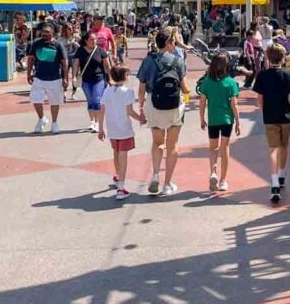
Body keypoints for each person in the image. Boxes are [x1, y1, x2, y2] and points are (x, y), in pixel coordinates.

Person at [136, 28, 189, 196]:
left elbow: (141, 89)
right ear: (167, 43)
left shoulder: (148, 61)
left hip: (154, 103)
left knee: (158, 142)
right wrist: (187, 98)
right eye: (173, 41)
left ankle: (156, 174)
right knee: (172, 146)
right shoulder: (178, 61)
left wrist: (142, 109)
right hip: (174, 106)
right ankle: (167, 184)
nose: (174, 44)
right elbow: (185, 89)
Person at [253, 42, 290, 204]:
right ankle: (282, 175)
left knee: (273, 149)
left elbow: (259, 98)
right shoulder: (289, 75)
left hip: (270, 115)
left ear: (267, 57)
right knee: (284, 146)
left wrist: (262, 108)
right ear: (283, 58)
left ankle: (273, 183)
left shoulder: (262, 75)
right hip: (285, 115)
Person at [198, 51, 241, 193]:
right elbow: (234, 104)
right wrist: (238, 122)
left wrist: (202, 119)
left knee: (213, 148)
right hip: (227, 120)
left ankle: (213, 172)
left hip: (213, 120)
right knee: (225, 148)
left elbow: (202, 102)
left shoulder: (206, 82)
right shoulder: (231, 83)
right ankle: (223, 180)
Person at [98, 65, 142, 200]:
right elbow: (130, 111)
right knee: (123, 156)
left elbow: (102, 110)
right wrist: (141, 118)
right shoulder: (128, 92)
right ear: (124, 77)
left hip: (112, 128)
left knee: (116, 153)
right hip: (124, 128)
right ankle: (121, 187)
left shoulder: (107, 91)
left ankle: (118, 177)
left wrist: (100, 128)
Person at [26, 21, 68, 134]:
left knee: (54, 102)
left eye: (47, 32)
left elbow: (64, 63)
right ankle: (42, 118)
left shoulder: (58, 45)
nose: (44, 34)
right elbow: (30, 59)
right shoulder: (36, 43)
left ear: (52, 33)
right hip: (39, 77)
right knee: (36, 100)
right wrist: (28, 73)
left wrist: (66, 78)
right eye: (43, 32)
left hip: (55, 78)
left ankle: (54, 123)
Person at [73, 30, 110, 133]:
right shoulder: (80, 51)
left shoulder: (100, 51)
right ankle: (92, 121)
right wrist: (74, 76)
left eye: (95, 39)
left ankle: (98, 123)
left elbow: (107, 66)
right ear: (85, 41)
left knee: (97, 100)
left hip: (99, 79)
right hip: (86, 80)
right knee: (90, 101)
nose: (94, 41)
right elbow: (76, 64)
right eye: (91, 39)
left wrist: (111, 78)